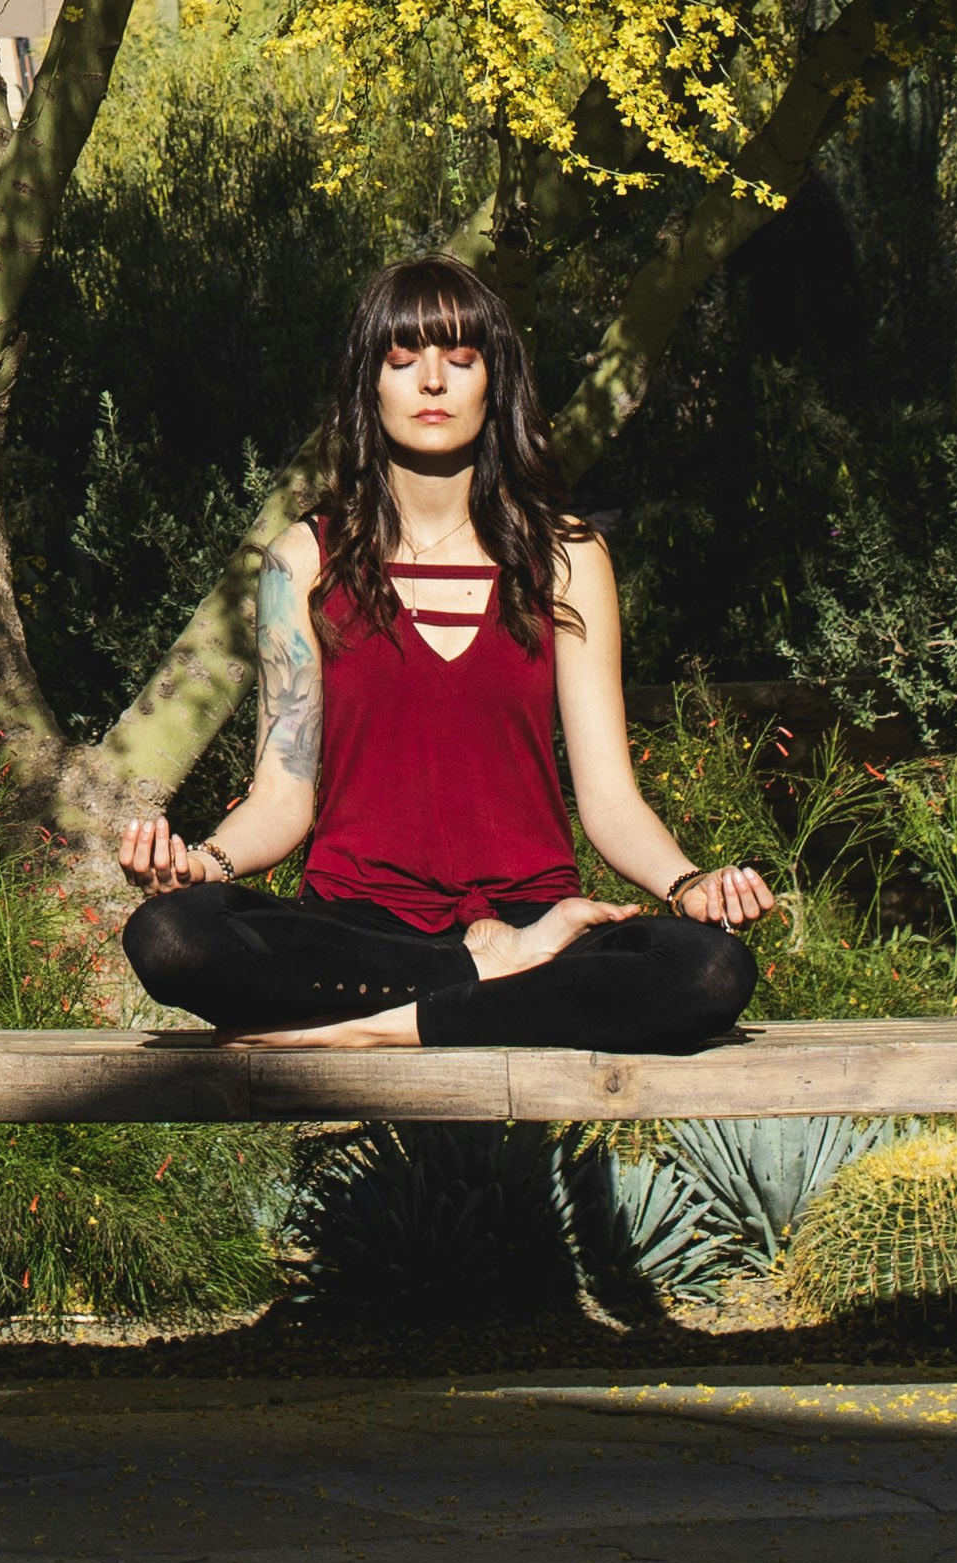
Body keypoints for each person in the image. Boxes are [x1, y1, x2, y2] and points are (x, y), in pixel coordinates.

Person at [115, 254, 773, 1050]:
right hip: (360, 929)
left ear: (495, 383)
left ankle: (368, 1028)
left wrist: (686, 881)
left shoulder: (567, 557)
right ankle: (477, 982)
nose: (432, 381)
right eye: (404, 359)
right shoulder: (304, 560)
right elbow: (284, 792)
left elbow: (608, 798)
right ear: (371, 383)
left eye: (460, 358)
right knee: (172, 934)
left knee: (706, 968)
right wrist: (205, 864)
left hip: (538, 922)